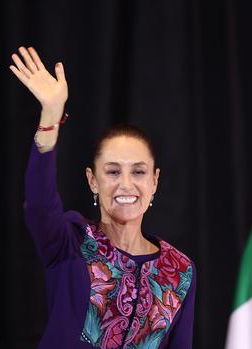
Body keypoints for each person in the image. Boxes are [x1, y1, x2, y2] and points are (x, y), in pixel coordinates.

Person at [10, 46, 196, 349]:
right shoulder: (71, 241)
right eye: (112, 172)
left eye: (138, 172)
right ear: (92, 180)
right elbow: (39, 204)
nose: (125, 184)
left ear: (154, 181)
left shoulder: (180, 269)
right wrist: (51, 116)